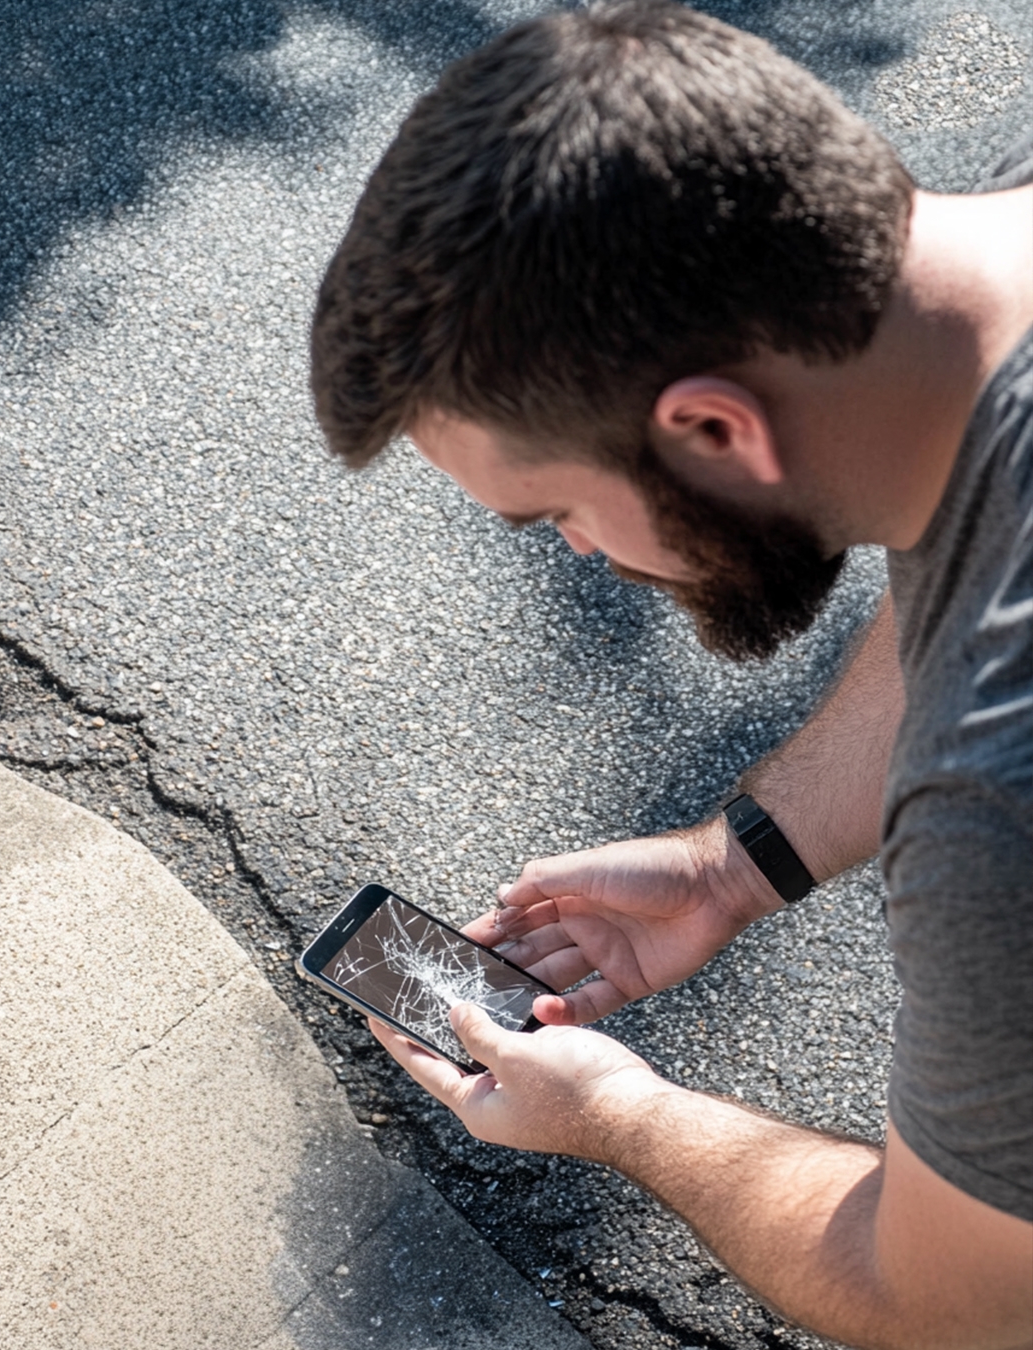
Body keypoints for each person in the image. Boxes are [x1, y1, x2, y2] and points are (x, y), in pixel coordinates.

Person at [309, 3, 1033, 1345]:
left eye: (555, 517)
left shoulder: (998, 806)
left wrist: (623, 1118)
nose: (582, 555)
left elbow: (958, 1295)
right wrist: (732, 864)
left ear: (711, 426)